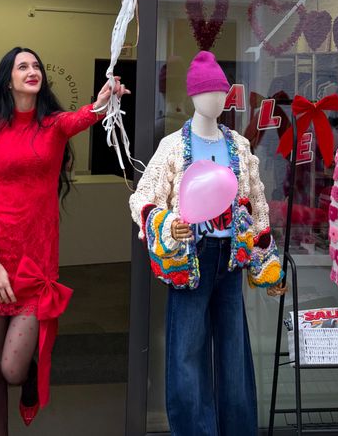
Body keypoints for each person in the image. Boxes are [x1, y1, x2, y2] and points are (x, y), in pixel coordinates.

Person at [0, 46, 128, 431]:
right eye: (23, 66)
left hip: (35, 266)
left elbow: (85, 115)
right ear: (8, 79)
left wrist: (105, 99)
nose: (32, 70)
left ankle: (31, 374)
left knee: (11, 368)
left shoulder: (54, 125)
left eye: (36, 65)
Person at [130, 51, 286, 436]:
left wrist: (267, 264)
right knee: (185, 354)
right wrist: (167, 225)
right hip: (191, 260)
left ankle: (237, 428)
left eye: (221, 92)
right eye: (208, 92)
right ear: (193, 95)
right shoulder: (172, 146)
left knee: (234, 353)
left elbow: (257, 204)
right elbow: (143, 198)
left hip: (230, 259)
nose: (216, 99)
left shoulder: (239, 147)